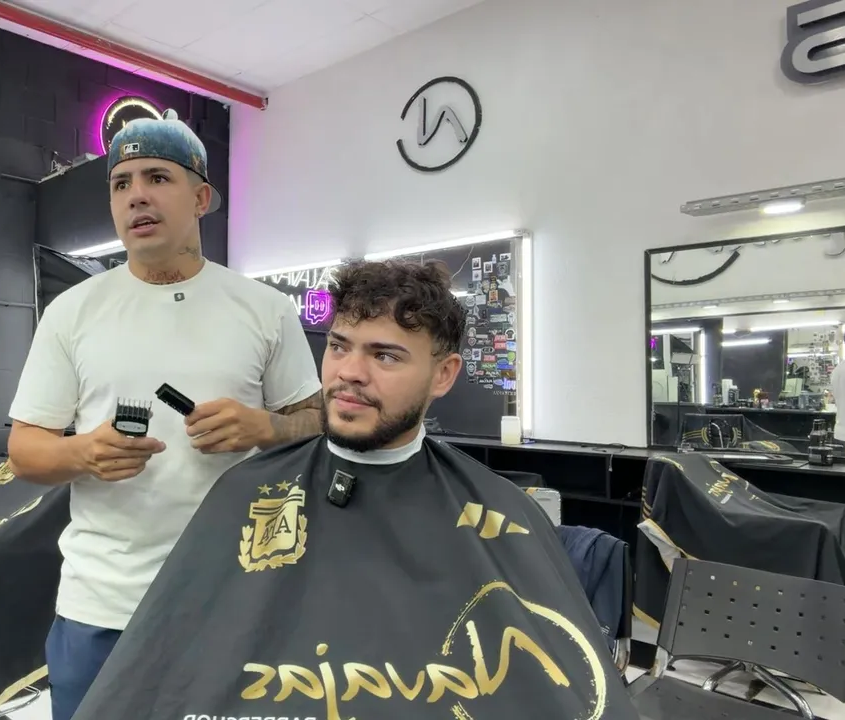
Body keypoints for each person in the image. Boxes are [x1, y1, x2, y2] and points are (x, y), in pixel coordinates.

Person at [71, 259, 640, 720]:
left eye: (385, 355)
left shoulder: (499, 508)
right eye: (340, 346)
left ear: (443, 375)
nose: (349, 372)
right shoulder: (246, 489)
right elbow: (161, 677)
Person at [5, 109, 323, 720]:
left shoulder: (264, 309)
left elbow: (318, 422)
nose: (136, 196)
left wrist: (268, 427)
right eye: (121, 184)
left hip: (237, 595)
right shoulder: (71, 313)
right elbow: (24, 451)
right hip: (104, 604)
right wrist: (82, 453)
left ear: (201, 198)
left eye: (157, 177)